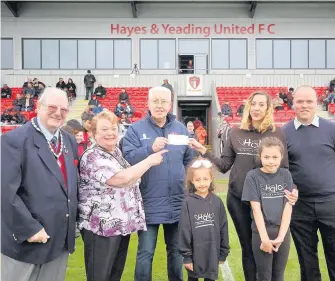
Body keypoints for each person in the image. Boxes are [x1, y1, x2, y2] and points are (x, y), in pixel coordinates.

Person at [189, 91, 298, 281]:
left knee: (266, 246)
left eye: (261, 105)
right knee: (248, 248)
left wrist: (293, 190)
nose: (256, 108)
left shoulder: (276, 133)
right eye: (253, 104)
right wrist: (202, 151)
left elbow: (284, 168)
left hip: (268, 201)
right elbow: (224, 166)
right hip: (239, 200)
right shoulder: (236, 132)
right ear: (248, 106)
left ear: (268, 108)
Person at [78, 110, 167, 281]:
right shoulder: (93, 156)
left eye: (113, 128)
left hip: (119, 226)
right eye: (104, 129)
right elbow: (122, 179)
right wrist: (149, 160)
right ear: (93, 133)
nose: (111, 133)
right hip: (101, 229)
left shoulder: (115, 152)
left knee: (114, 275)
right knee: (100, 276)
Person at [1, 88, 78, 281]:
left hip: (59, 239)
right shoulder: (14, 141)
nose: (58, 113)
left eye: (64, 109)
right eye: (52, 107)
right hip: (27, 241)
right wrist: (29, 229)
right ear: (38, 106)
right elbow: (5, 192)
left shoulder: (68, 140)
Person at [122, 86, 194, 281]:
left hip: (178, 202)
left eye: (164, 101)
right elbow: (127, 158)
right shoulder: (135, 129)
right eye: (156, 101)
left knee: (176, 252)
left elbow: (190, 160)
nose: (160, 105)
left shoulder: (180, 129)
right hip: (148, 203)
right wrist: (149, 149)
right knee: (146, 253)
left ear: (170, 104)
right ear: (148, 103)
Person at [283, 85, 335, 281]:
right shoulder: (284, 132)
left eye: (309, 101)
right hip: (300, 206)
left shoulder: (331, 129)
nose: (304, 105)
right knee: (307, 261)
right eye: (300, 101)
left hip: (331, 203)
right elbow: (282, 169)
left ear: (317, 103)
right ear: (293, 103)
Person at [242, 137, 294, 281]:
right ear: (260, 157)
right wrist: (264, 239)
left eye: (275, 157)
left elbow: (288, 207)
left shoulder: (286, 175)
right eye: (266, 157)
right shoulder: (253, 176)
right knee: (264, 276)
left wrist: (281, 237)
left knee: (278, 276)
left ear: (281, 157)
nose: (271, 161)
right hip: (261, 233)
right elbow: (256, 210)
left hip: (282, 232)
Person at [178, 157, 230, 281]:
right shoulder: (188, 203)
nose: (202, 183)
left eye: (205, 179)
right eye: (198, 180)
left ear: (211, 179)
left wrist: (223, 252)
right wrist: (187, 257)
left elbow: (223, 227)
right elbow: (184, 230)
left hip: (212, 254)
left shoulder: (217, 202)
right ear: (192, 181)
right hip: (195, 255)